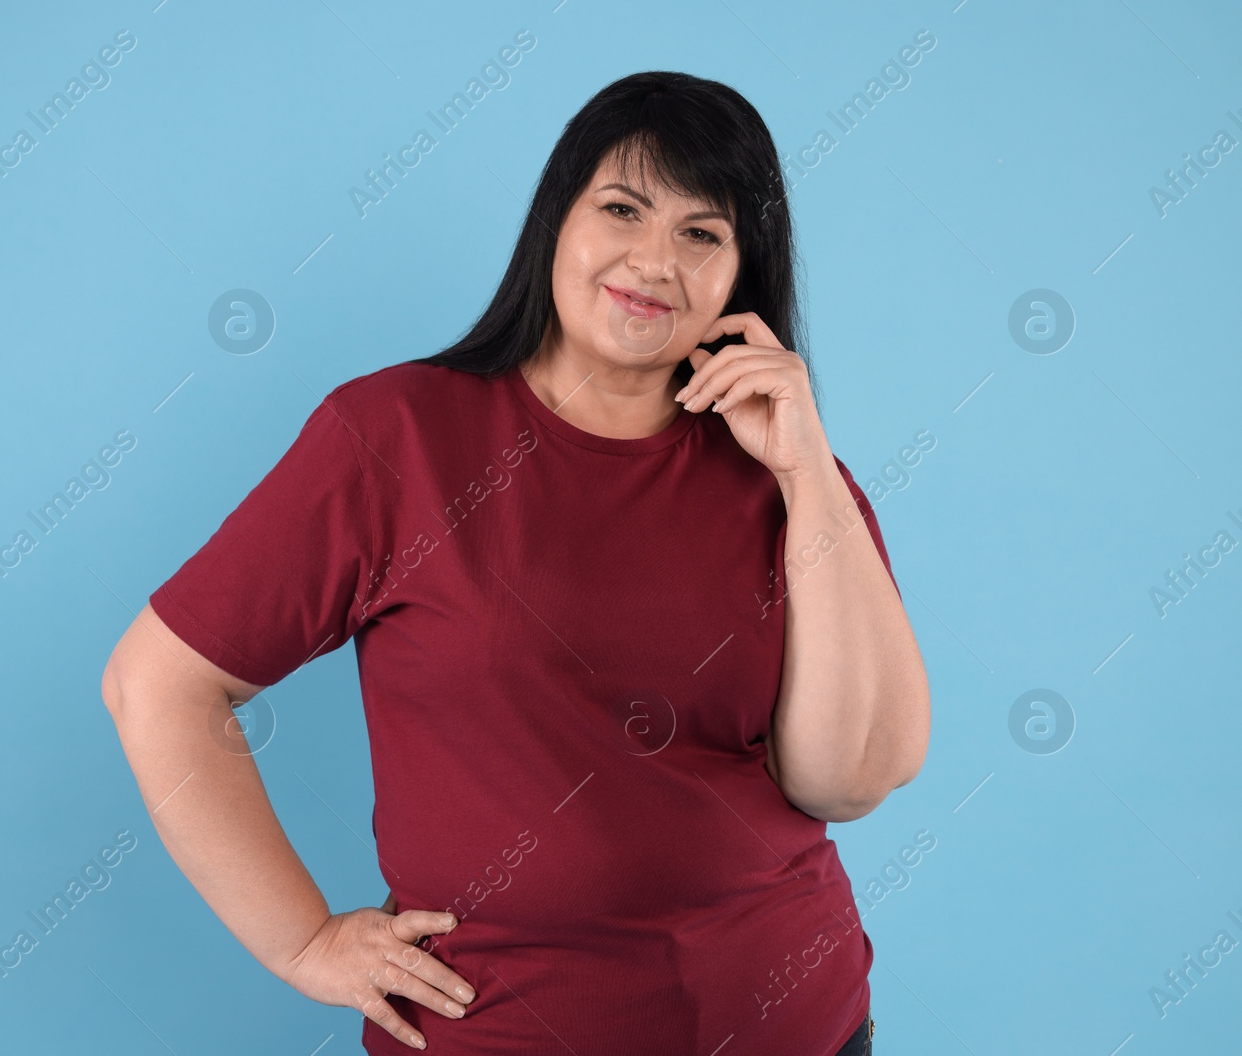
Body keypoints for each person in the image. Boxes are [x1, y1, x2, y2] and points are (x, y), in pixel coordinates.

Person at [100, 70, 928, 1056]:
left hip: (800, 1022)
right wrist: (302, 939)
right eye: (622, 208)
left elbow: (847, 781)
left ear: (741, 272)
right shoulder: (396, 435)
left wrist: (805, 471)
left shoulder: (789, 477)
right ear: (556, 220)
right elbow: (158, 682)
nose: (654, 260)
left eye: (702, 233)